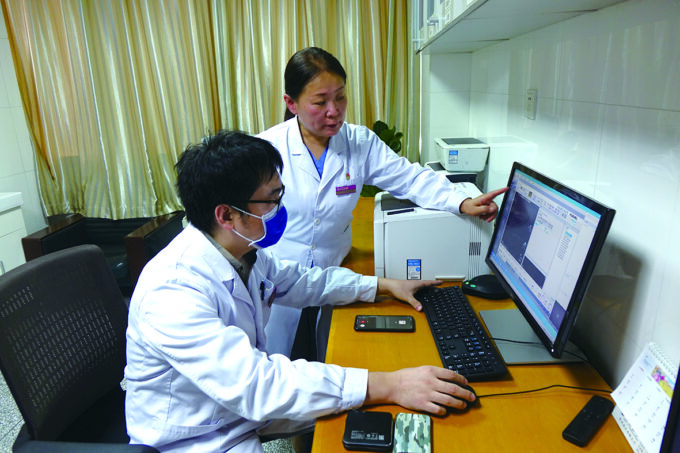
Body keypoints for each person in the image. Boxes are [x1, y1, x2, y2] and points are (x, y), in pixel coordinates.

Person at [124, 130, 475, 453]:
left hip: (234, 412)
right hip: (196, 438)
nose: (281, 209)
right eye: (271, 199)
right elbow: (256, 384)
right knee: (372, 397)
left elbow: (302, 281)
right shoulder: (172, 291)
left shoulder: (242, 252)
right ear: (227, 216)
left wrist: (381, 285)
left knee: (367, 407)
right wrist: (389, 384)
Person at [257, 46, 508, 358]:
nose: (334, 111)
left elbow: (410, 178)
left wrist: (462, 200)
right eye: (320, 102)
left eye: (340, 97)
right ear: (291, 103)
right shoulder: (266, 149)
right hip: (280, 275)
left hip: (336, 268)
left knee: (328, 352)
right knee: (279, 358)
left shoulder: (358, 142)